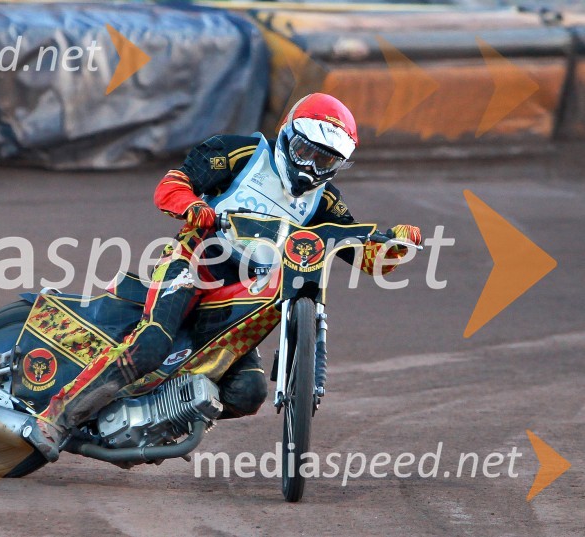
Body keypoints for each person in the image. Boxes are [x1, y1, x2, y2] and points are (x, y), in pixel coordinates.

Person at [25, 93, 422, 462]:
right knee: (152, 343)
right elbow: (172, 185)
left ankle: (163, 418)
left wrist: (396, 246)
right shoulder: (240, 152)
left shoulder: (326, 200)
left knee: (248, 393)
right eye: (306, 152)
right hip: (194, 261)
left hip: (246, 291)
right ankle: (55, 419)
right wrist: (193, 207)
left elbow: (362, 253)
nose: (312, 168)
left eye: (326, 162)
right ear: (288, 134)